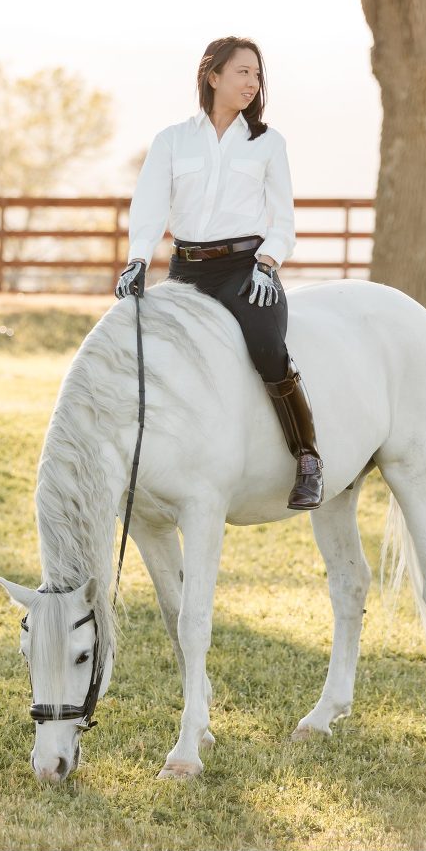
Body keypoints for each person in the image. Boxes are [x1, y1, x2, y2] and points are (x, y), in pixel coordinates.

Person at [115, 36, 324, 510]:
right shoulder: (172, 141)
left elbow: (284, 221)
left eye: (257, 74)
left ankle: (308, 457)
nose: (253, 83)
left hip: (245, 270)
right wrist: (138, 259)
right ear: (213, 77)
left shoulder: (268, 144)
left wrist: (268, 264)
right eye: (242, 73)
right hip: (186, 271)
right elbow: (148, 206)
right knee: (139, 344)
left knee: (269, 348)